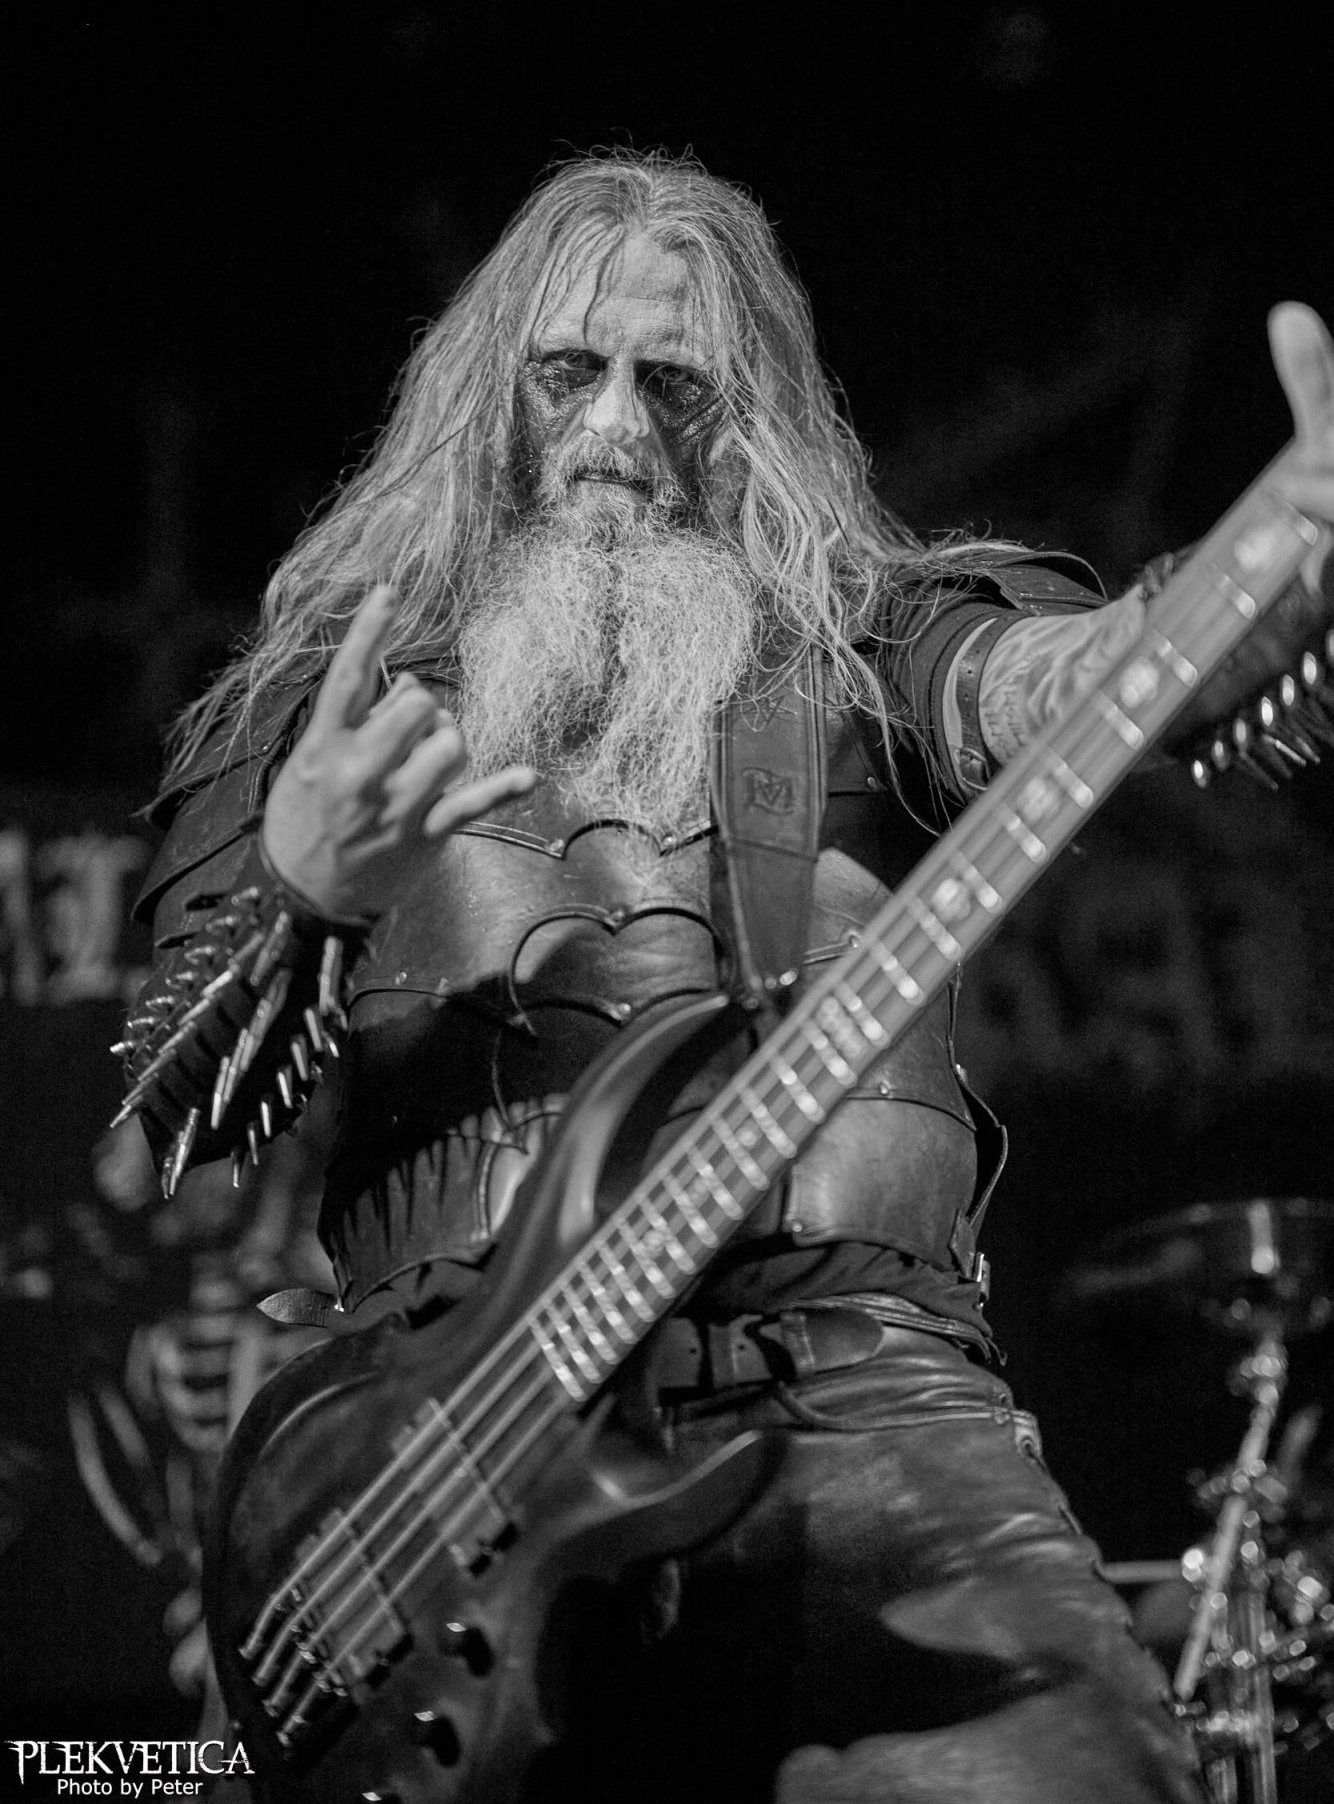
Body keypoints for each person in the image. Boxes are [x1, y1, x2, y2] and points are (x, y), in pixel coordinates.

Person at [116, 152, 1334, 1802]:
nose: (617, 428)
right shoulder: (330, 699)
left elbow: (1069, 678)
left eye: (672, 382)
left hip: (866, 1393)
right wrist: (304, 893)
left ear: (746, 413)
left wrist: (1251, 585)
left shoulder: (871, 646)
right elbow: (172, 1106)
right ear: (488, 395)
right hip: (449, 1436)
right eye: (569, 373)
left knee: (1093, 1767)